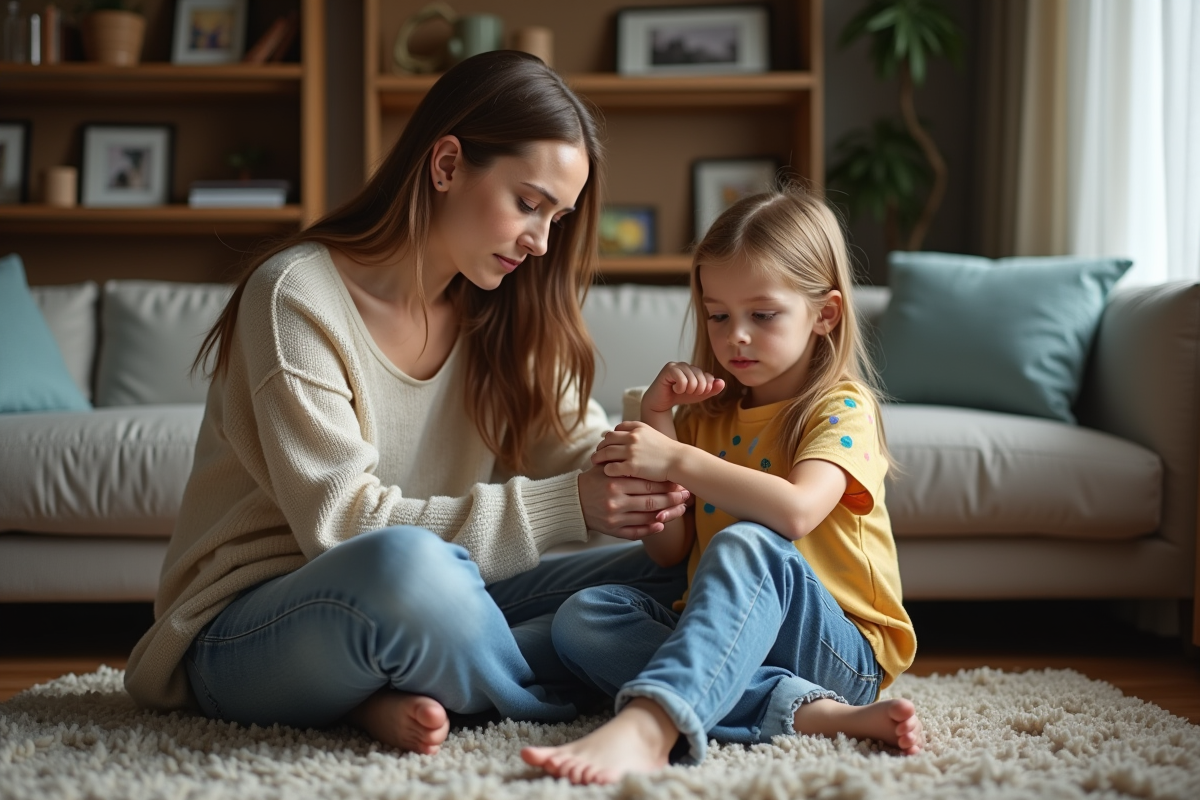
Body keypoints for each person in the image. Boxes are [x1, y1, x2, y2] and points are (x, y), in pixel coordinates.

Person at [122, 51, 694, 755]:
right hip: (250, 624)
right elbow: (347, 529)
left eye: (558, 218)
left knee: (685, 566)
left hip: (437, 601)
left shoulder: (504, 308)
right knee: (411, 574)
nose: (542, 242)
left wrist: (663, 452)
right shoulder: (297, 297)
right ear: (448, 164)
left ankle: (392, 687)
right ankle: (570, 700)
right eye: (528, 203)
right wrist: (573, 503)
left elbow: (581, 450)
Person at [522, 188, 923, 785]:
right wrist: (660, 421)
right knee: (585, 617)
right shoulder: (705, 419)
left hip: (839, 647)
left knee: (747, 542)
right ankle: (808, 715)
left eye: (762, 315)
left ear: (825, 314)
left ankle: (654, 725)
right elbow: (669, 552)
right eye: (718, 315)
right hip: (728, 637)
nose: (736, 336)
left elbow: (794, 513)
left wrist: (675, 456)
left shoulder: (841, 409)